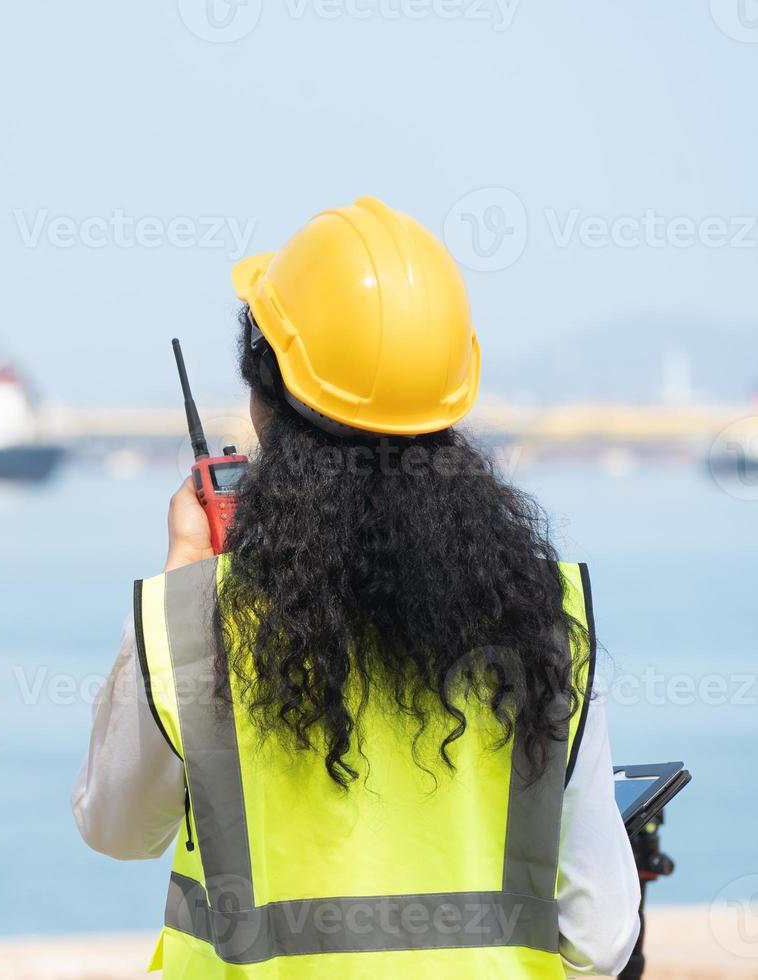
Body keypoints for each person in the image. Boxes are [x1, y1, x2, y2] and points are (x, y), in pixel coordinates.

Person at [72, 197, 640, 978]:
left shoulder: (200, 623)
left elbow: (116, 828)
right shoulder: (546, 623)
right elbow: (599, 942)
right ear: (448, 406)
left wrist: (183, 577)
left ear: (266, 407)